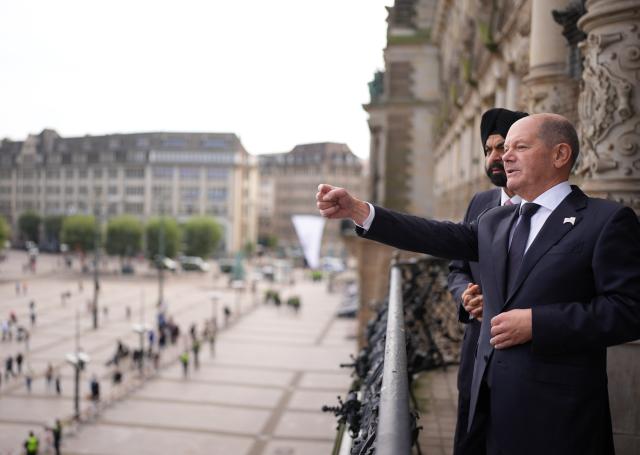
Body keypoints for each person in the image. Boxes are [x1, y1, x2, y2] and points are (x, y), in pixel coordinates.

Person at [316, 113, 640, 455]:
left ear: (560, 155)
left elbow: (630, 310)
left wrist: (538, 323)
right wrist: (359, 210)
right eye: (504, 148)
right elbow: (434, 235)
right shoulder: (496, 219)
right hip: (486, 409)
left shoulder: (605, 221)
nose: (504, 156)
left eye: (520, 147)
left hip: (557, 419)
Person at [447, 108, 527, 455]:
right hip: (476, 359)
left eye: (503, 148)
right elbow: (456, 268)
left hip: (525, 366)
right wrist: (464, 295)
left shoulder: (556, 211)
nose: (496, 157)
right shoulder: (479, 203)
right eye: (489, 150)